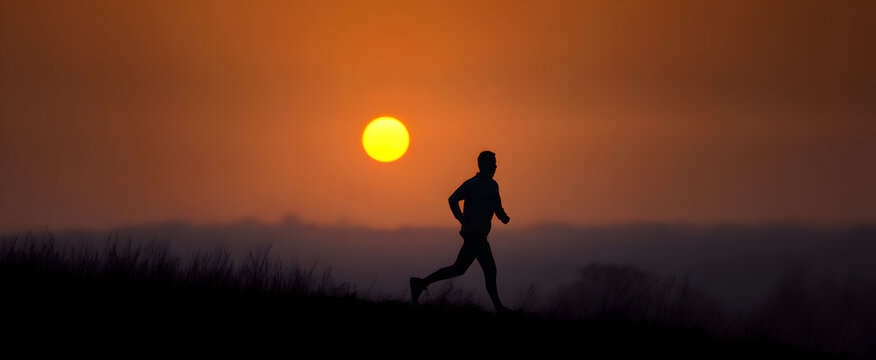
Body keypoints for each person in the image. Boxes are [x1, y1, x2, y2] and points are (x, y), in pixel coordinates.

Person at [410, 150, 516, 313]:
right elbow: (452, 199)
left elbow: (497, 206)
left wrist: (503, 217)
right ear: (483, 165)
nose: (495, 166)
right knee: (489, 269)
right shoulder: (472, 184)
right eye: (492, 163)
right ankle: (499, 308)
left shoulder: (493, 185)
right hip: (474, 234)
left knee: (459, 268)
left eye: (495, 163)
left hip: (480, 234)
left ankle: (420, 283)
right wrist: (461, 218)